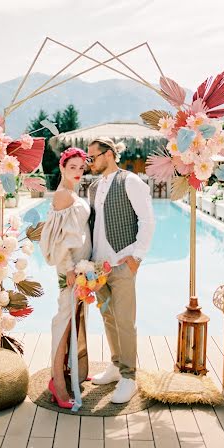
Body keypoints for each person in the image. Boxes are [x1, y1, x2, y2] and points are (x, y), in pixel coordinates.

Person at [86, 138, 155, 403]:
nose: (90, 162)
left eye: (93, 157)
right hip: (98, 267)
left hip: (122, 265)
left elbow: (147, 220)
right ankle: (116, 366)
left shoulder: (130, 181)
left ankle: (129, 377)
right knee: (108, 318)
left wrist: (136, 257)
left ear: (110, 155)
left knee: (125, 321)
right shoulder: (93, 187)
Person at [39, 147, 91, 409]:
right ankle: (57, 381)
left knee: (73, 319)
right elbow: (60, 239)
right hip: (69, 270)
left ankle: (72, 370)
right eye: (73, 167)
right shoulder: (62, 195)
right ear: (62, 168)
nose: (79, 172)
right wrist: (70, 269)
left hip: (81, 268)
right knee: (64, 320)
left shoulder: (73, 193)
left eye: (82, 167)